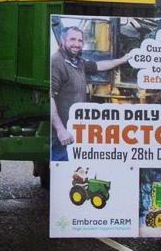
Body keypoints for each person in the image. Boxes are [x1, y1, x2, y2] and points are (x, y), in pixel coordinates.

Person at [50, 26, 132, 161]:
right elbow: (50, 96)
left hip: (73, 130)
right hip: (62, 135)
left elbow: (99, 66)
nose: (76, 44)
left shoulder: (78, 62)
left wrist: (122, 60)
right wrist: (60, 130)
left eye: (80, 40)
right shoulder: (57, 62)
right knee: (62, 171)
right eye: (72, 40)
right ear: (62, 40)